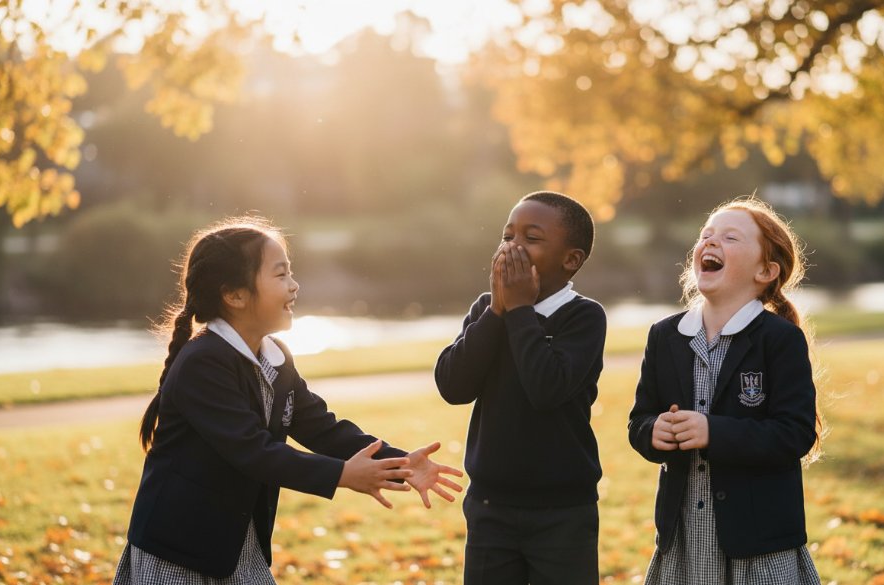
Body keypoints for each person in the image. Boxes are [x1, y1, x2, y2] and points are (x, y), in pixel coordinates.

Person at [113, 217, 463, 584]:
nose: (294, 286)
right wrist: (342, 476)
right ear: (234, 295)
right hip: (177, 551)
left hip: (237, 549)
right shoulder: (203, 362)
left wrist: (401, 462)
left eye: (290, 273)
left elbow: (323, 428)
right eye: (280, 275)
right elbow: (254, 451)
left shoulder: (275, 357)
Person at [628, 196, 824, 584]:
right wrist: (654, 432)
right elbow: (639, 420)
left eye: (730, 238)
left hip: (759, 544)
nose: (711, 242)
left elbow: (795, 433)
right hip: (682, 539)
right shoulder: (665, 336)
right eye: (706, 235)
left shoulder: (780, 339)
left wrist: (712, 432)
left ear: (766, 270)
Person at [435, 191, 606, 585]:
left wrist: (520, 310)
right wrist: (498, 311)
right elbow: (452, 385)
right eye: (507, 234)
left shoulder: (583, 317)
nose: (512, 246)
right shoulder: (487, 309)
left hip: (563, 510)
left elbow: (545, 387)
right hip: (490, 505)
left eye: (531, 238)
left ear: (570, 260)